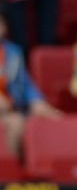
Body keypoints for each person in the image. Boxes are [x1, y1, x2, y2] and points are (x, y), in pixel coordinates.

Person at [0, 14, 63, 156]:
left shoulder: (12, 52)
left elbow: (25, 83)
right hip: (9, 113)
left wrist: (36, 101)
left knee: (53, 117)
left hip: (14, 108)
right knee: (16, 123)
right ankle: (8, 172)